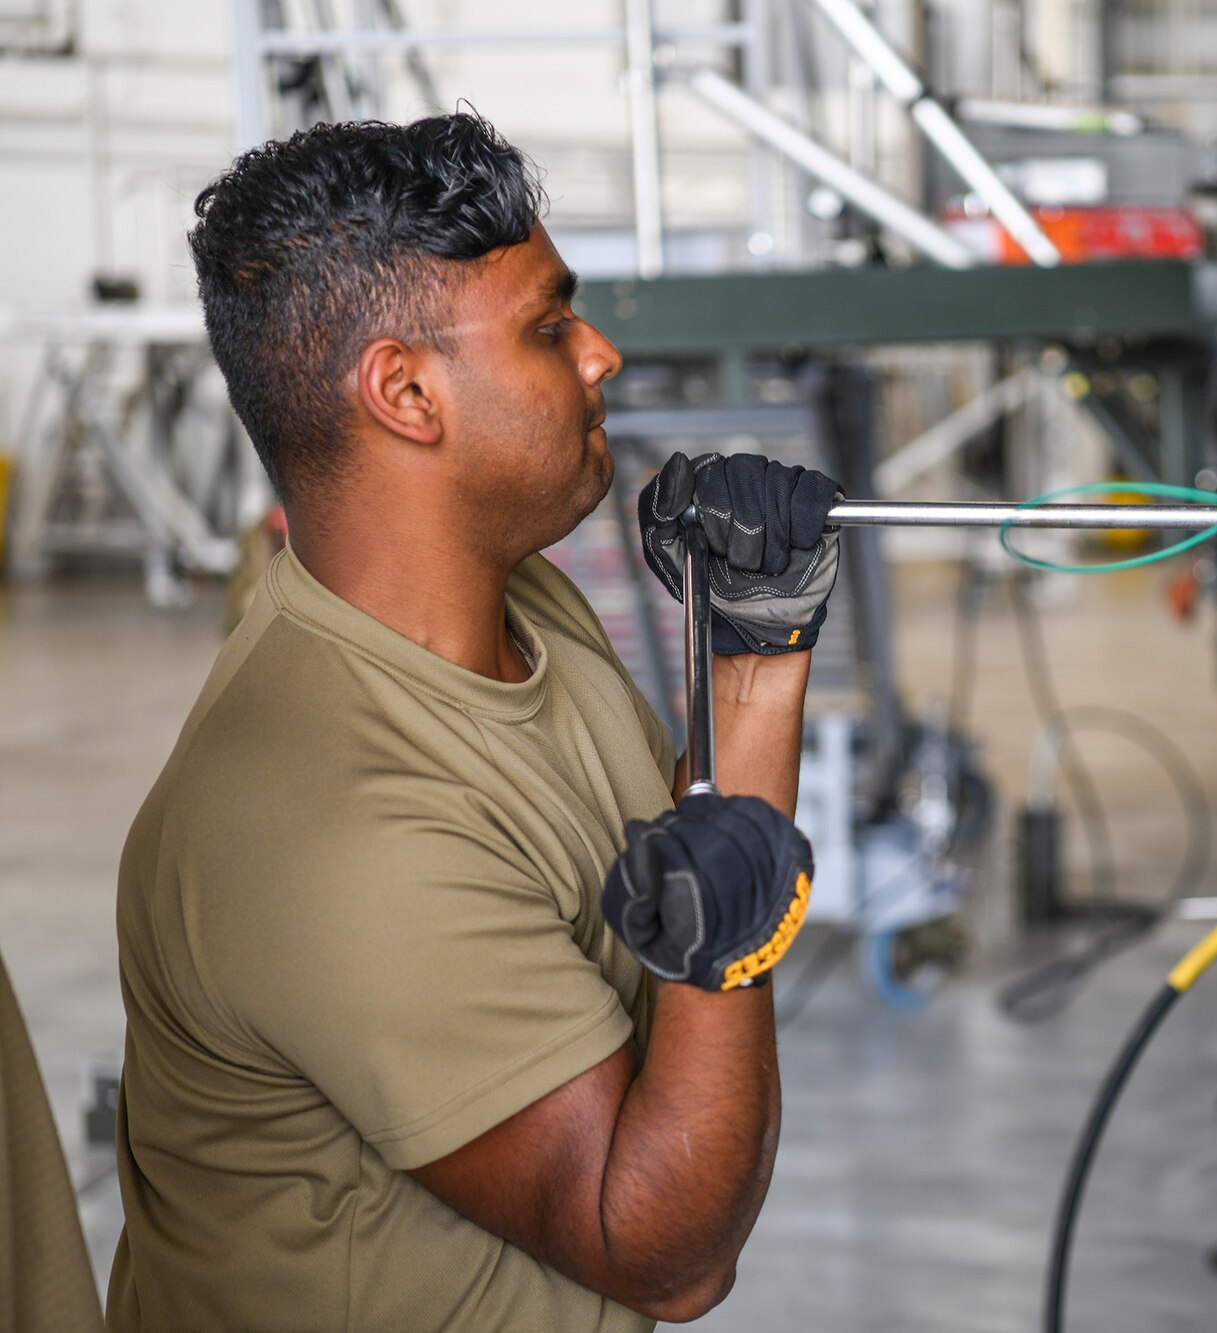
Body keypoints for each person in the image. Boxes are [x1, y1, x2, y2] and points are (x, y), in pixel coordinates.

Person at [110, 113, 841, 1331]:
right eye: (550, 327)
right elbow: (662, 1247)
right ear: (404, 392)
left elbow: (691, 856)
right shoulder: (340, 836)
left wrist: (752, 656)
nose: (600, 355)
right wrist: (730, 958)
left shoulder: (515, 598)